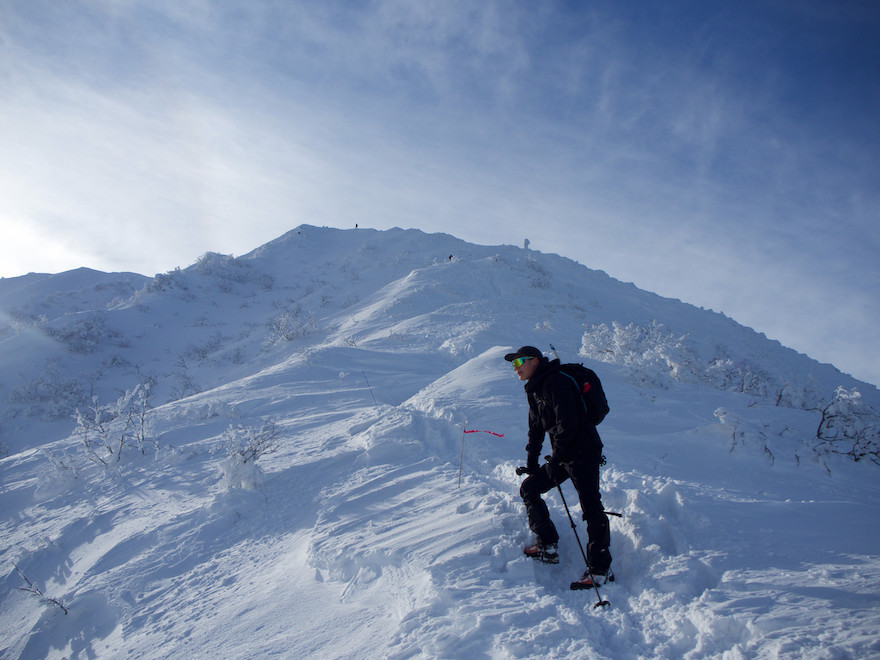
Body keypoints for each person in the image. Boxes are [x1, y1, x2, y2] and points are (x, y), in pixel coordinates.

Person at [505, 345, 612, 586]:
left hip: (583, 452)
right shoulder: (534, 389)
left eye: (518, 362)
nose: (515, 369)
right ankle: (548, 545)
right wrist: (532, 464)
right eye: (512, 365)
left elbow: (568, 424)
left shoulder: (556, 382)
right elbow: (535, 431)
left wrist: (557, 457)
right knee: (530, 488)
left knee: (591, 507)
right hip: (564, 456)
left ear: (534, 361)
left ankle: (600, 569)